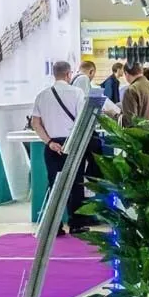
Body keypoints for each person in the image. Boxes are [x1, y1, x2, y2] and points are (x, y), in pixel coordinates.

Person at [31, 61, 99, 235]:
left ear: (54, 74)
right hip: (73, 144)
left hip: (52, 145)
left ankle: (54, 226)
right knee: (76, 184)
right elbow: (82, 120)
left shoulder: (42, 95)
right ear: (69, 74)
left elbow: (35, 123)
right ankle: (76, 224)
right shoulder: (77, 93)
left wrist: (49, 142)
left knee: (53, 185)